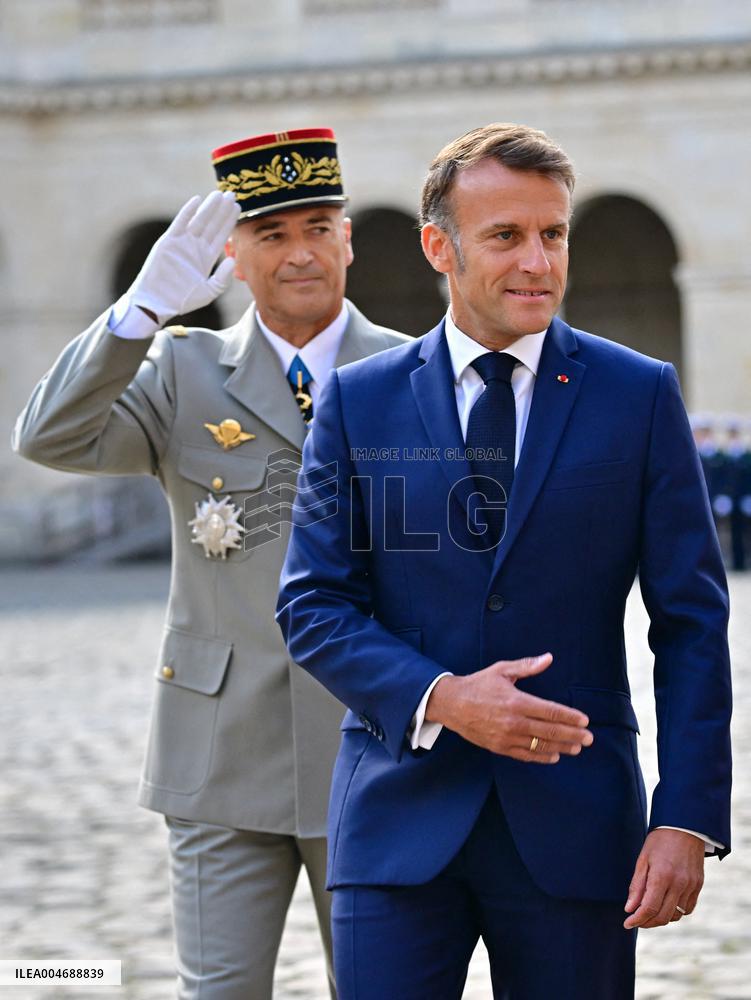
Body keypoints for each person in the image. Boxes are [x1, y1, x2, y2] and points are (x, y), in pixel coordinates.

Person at [276, 123, 732, 999]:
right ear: (438, 247)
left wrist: (685, 815)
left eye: (552, 234)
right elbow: (313, 604)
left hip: (578, 827)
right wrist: (443, 698)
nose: (538, 261)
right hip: (395, 822)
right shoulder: (357, 402)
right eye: (506, 236)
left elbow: (691, 622)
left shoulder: (637, 395)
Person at [13, 127, 407, 1000]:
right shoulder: (180, 370)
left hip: (375, 749)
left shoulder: (415, 372)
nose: (298, 253)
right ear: (232, 255)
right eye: (270, 235)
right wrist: (137, 315)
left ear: (348, 238)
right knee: (220, 990)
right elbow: (50, 436)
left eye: (316, 226)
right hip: (220, 752)